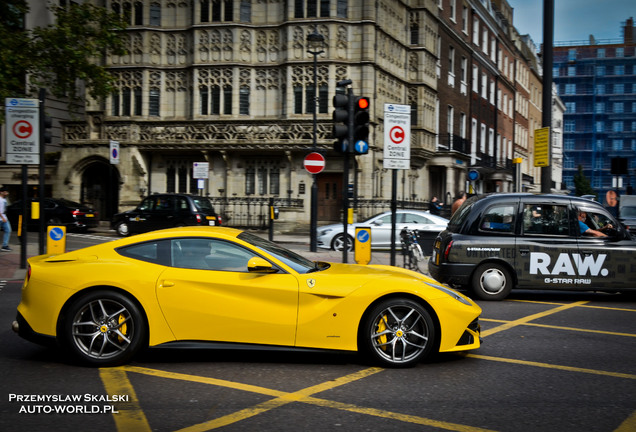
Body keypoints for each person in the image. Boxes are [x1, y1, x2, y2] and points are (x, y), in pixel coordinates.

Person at [0, 187, 12, 251]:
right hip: (2, 218)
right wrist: (2, 217)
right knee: (8, 230)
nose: (7, 193)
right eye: (6, 192)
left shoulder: (4, 199)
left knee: (8, 230)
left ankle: (4, 246)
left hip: (4, 218)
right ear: (1, 192)